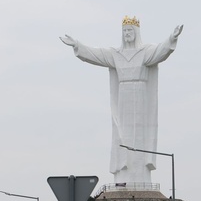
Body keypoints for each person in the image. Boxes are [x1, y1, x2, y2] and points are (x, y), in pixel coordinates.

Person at [60, 17, 183, 184]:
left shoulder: (144, 52)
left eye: (130, 30)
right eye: (125, 31)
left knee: (139, 137)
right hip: (123, 99)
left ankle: (141, 178)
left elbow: (160, 51)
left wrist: (171, 38)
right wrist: (77, 45)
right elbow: (96, 54)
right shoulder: (116, 54)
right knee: (122, 136)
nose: (127, 34)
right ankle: (123, 176)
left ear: (136, 32)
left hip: (140, 98)